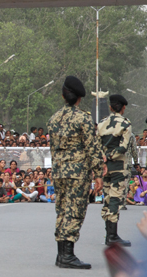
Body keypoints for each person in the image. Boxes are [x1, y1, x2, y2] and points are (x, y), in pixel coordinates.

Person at [47, 76, 103, 269]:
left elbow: (53, 149)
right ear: (79, 98)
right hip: (78, 172)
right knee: (75, 211)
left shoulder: (53, 119)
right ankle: (67, 255)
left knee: (62, 210)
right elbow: (93, 148)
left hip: (59, 172)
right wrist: (98, 175)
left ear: (63, 95)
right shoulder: (83, 118)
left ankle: (61, 255)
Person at [97, 94, 132, 247]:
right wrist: (110, 155)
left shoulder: (101, 124)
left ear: (111, 107)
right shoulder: (125, 124)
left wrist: (103, 157)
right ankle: (112, 236)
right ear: (123, 108)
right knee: (115, 200)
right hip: (118, 167)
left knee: (107, 198)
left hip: (104, 168)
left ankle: (108, 234)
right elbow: (123, 148)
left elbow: (96, 147)